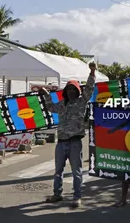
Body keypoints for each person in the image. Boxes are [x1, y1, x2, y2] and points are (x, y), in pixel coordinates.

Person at [39, 62, 96, 208]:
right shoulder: (61, 104)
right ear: (65, 91)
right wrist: (46, 94)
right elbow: (50, 107)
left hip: (75, 143)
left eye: (73, 89)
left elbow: (89, 89)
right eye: (68, 89)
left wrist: (92, 72)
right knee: (58, 171)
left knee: (76, 172)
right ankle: (57, 194)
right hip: (61, 142)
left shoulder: (82, 102)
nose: (71, 91)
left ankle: (77, 197)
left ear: (77, 91)